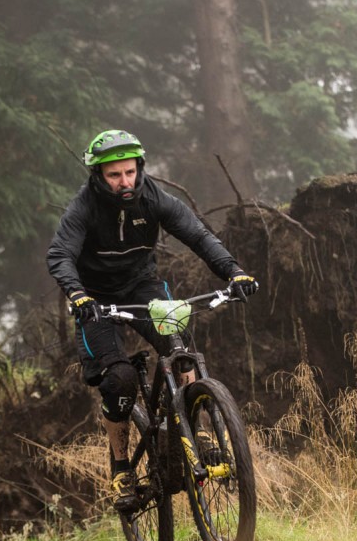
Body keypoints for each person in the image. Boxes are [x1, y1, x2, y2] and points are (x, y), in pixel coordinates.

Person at [46, 129, 259, 512]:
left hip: (141, 286)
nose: (124, 182)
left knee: (181, 346)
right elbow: (60, 255)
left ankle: (198, 429)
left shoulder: (154, 197)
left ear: (139, 169)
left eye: (129, 172)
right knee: (120, 380)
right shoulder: (83, 209)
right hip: (94, 299)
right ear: (98, 176)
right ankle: (122, 465)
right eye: (114, 175)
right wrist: (78, 296)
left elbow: (197, 235)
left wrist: (233, 271)